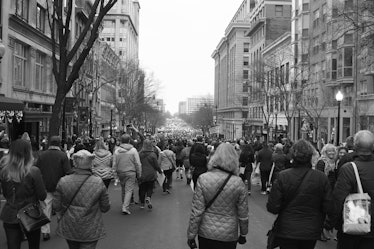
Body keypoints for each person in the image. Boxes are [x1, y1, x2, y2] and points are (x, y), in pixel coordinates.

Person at [267, 139, 333, 249]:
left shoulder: (283, 176)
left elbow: (273, 207)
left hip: (287, 228)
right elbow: (328, 206)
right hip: (311, 229)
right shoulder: (321, 178)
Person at [187, 143, 248, 249]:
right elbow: (243, 213)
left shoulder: (203, 179)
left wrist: (191, 235)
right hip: (228, 233)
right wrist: (243, 233)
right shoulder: (238, 182)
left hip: (206, 232)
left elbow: (197, 211)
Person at [326, 130, 374, 249]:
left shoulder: (349, 169)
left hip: (354, 225)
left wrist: (330, 222)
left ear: (355, 146)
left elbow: (338, 199)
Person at [53, 150, 110, 249]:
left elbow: (56, 205)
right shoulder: (98, 182)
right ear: (91, 163)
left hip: (70, 225)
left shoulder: (63, 181)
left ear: (74, 163)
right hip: (91, 226)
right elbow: (105, 207)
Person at [0, 139, 47, 249]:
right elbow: (42, 195)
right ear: (28, 153)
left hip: (10, 212)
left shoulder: (4, 171)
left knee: (13, 245)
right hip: (31, 212)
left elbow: (5, 193)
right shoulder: (33, 171)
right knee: (33, 245)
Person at [36, 136, 71, 241]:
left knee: (46, 209)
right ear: (59, 143)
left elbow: (37, 169)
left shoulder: (42, 155)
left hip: (45, 185)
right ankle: (61, 228)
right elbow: (67, 171)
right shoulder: (63, 155)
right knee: (60, 208)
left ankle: (45, 232)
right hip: (60, 185)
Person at [112, 134, 142, 215]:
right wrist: (139, 173)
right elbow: (137, 163)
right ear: (129, 141)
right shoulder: (133, 150)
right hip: (131, 172)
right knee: (129, 189)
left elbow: (114, 163)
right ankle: (125, 207)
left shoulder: (117, 151)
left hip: (120, 172)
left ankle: (124, 204)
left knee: (123, 189)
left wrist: (114, 174)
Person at [138, 139, 162, 209]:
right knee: (150, 187)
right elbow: (156, 165)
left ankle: (142, 204)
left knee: (142, 188)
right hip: (151, 173)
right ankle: (148, 197)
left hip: (142, 173)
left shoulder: (140, 154)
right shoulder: (153, 154)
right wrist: (160, 171)